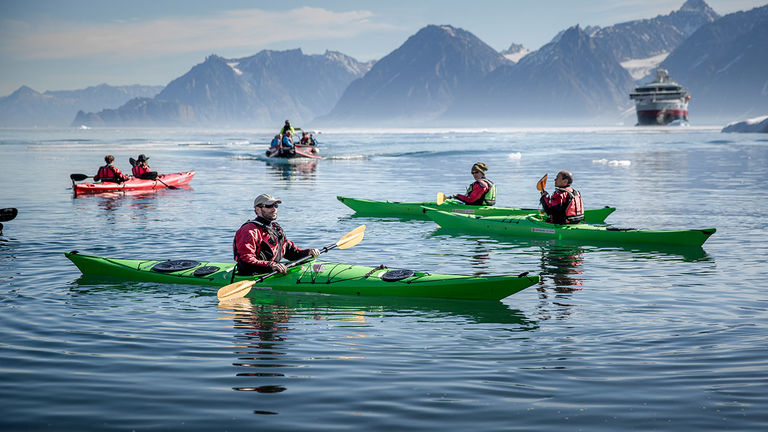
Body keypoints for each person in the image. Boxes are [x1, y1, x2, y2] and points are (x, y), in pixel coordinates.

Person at [232, 194, 320, 276]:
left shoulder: (275, 229)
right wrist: (271, 265)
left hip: (272, 271)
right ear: (258, 209)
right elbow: (245, 262)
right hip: (253, 274)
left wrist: (308, 252)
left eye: (275, 206)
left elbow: (290, 252)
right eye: (269, 206)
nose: (274, 209)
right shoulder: (249, 230)